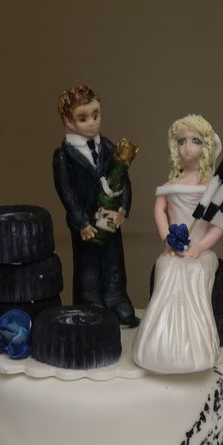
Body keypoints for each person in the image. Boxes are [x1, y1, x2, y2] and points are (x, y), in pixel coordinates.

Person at [132, 114, 223, 374]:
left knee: (194, 277)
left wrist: (198, 248)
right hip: (173, 251)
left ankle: (194, 349)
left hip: (200, 253)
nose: (187, 146)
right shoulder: (170, 186)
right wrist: (167, 237)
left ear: (207, 146)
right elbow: (159, 211)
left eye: (195, 140)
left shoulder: (211, 190)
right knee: (166, 271)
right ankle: (159, 347)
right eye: (181, 140)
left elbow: (219, 225)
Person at [53, 84, 138, 327]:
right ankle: (90, 301)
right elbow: (66, 192)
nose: (92, 123)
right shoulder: (64, 156)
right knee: (88, 264)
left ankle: (116, 296)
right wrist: (80, 222)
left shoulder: (110, 148)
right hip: (87, 224)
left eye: (96, 115)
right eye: (83, 118)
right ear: (68, 121)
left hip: (110, 219)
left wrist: (123, 208)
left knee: (114, 260)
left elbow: (124, 179)